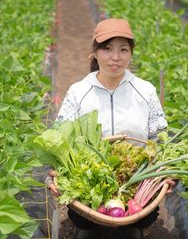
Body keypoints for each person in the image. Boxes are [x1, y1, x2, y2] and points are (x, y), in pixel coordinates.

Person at [46, 18, 176, 239]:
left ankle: (132, 225)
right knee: (81, 217)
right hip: (91, 183)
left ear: (131, 54)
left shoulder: (145, 91)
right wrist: (53, 175)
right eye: (108, 49)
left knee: (145, 216)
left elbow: (159, 135)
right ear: (95, 53)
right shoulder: (79, 92)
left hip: (136, 181)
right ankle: (89, 227)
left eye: (123, 50)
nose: (116, 57)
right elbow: (59, 138)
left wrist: (166, 173)